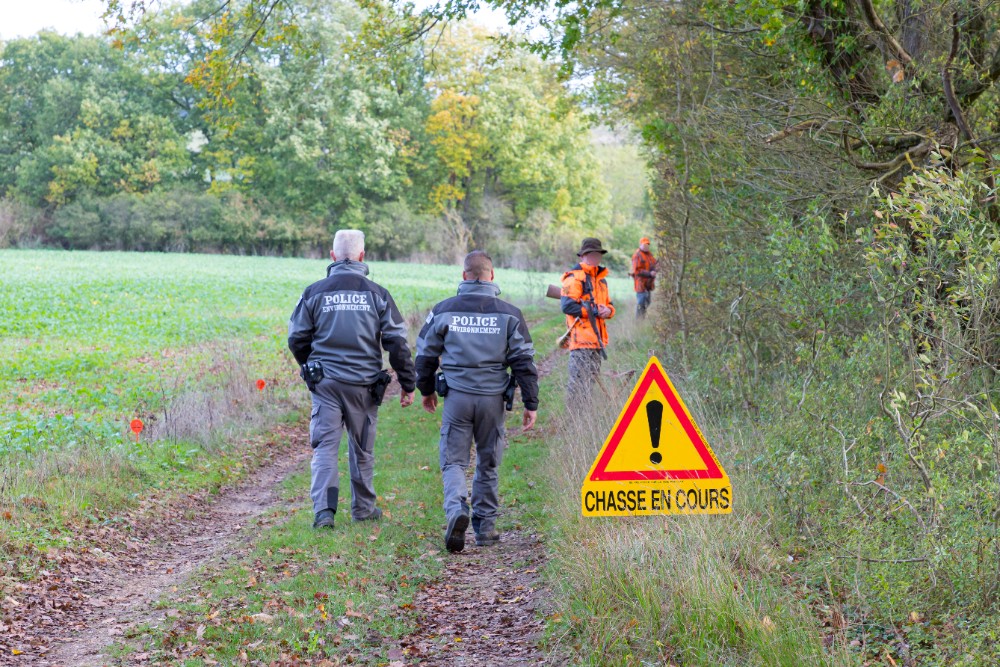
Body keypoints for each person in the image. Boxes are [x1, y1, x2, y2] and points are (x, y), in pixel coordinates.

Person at [288, 229, 416, 530]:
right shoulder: (378, 293)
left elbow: (296, 338)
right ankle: (363, 509)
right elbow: (397, 342)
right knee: (362, 449)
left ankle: (324, 512)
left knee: (325, 448)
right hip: (364, 384)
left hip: (326, 384)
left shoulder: (313, 292)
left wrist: (310, 366)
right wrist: (408, 383)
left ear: (333, 256)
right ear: (362, 256)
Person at [415, 251, 539, 553]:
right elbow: (523, 361)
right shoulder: (510, 314)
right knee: (488, 461)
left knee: (454, 461)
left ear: (464, 275)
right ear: (491, 276)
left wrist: (426, 389)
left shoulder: (444, 310)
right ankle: (485, 528)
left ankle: (457, 509)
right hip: (492, 401)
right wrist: (531, 402)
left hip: (457, 398)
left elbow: (425, 355)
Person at [561, 237, 615, 400]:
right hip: (581, 342)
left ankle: (584, 415)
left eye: (597, 254)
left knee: (589, 386)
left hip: (597, 342)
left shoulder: (601, 280)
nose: (594, 257)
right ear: (582, 256)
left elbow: (609, 304)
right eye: (590, 254)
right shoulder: (574, 278)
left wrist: (608, 311)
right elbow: (567, 307)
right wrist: (595, 311)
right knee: (577, 387)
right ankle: (573, 416)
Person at [630, 236, 658, 318]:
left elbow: (654, 264)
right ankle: (638, 321)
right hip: (640, 284)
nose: (646, 246)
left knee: (647, 302)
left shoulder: (649, 254)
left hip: (648, 284)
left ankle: (641, 319)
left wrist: (656, 269)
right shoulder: (637, 255)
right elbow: (637, 271)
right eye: (644, 244)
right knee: (641, 303)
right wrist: (650, 273)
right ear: (640, 245)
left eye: (647, 244)